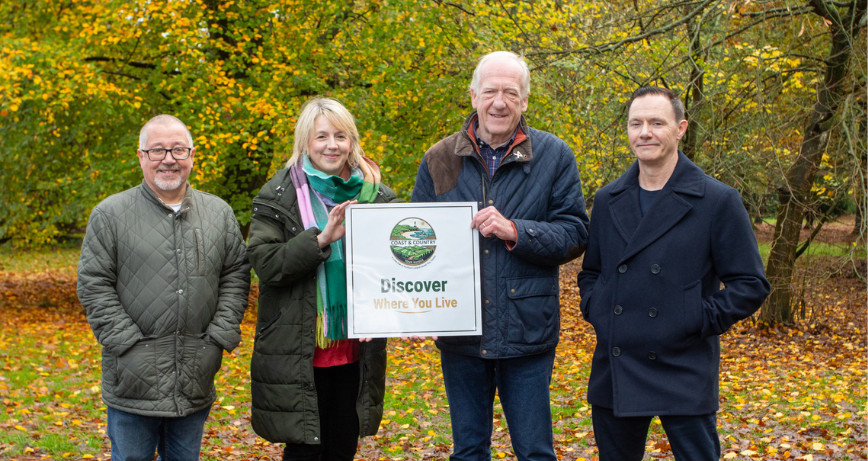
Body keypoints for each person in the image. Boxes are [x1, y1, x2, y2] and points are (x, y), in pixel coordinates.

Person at [411, 51, 589, 461]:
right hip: (461, 332)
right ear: (473, 95)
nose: (499, 102)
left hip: (526, 330)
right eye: (490, 91)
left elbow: (576, 233)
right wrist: (417, 310)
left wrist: (516, 230)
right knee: (469, 450)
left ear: (525, 101)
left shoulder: (554, 155)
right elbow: (419, 242)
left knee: (534, 451)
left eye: (511, 92)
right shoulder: (439, 158)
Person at [577, 86, 770, 460]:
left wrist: (693, 316)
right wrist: (597, 307)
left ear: (680, 128)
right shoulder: (607, 199)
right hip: (617, 363)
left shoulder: (717, 200)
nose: (644, 132)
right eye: (636, 123)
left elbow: (750, 284)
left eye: (656, 122)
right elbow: (592, 271)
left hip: (684, 363)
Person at [77, 114, 251, 461]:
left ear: (192, 155)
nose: (168, 159)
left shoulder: (218, 212)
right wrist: (128, 346)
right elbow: (94, 285)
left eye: (177, 149)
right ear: (141, 156)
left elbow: (236, 275)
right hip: (132, 380)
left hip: (194, 375)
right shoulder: (110, 214)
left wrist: (217, 339)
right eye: (157, 150)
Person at [248, 97, 399, 461]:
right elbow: (266, 264)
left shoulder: (377, 196)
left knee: (343, 445)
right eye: (321, 137)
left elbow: (392, 268)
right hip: (298, 347)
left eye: (341, 136)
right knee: (305, 450)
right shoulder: (279, 194)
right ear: (305, 142)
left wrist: (392, 311)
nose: (332, 145)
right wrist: (321, 240)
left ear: (352, 142)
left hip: (354, 346)